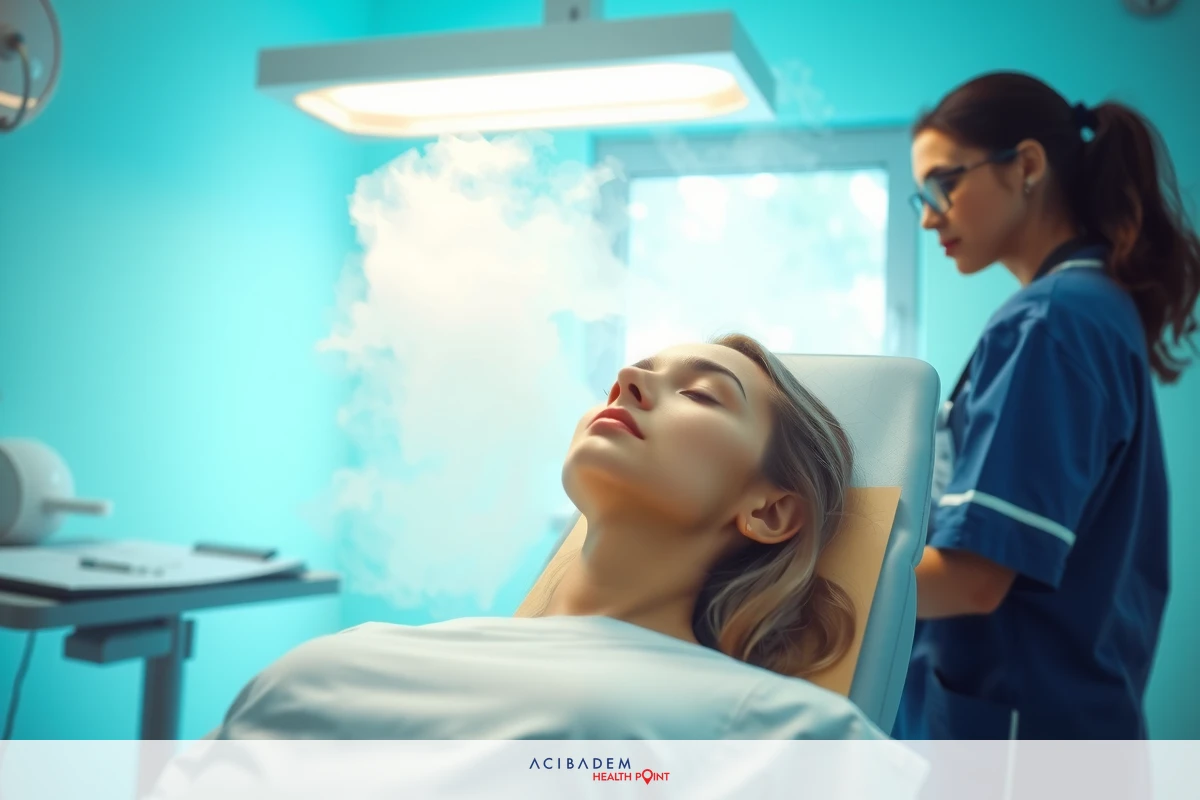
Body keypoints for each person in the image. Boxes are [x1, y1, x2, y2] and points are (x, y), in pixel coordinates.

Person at [208, 334, 886, 740]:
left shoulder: (784, 736)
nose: (629, 380)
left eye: (702, 394)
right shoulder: (334, 667)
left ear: (769, 511)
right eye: (629, 374)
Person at [897, 71, 1200, 740]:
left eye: (943, 184)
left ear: (1026, 166)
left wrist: (803, 589)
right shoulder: (1091, 307)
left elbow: (976, 579)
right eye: (920, 195)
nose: (926, 216)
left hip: (1022, 739)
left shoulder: (1052, 322)